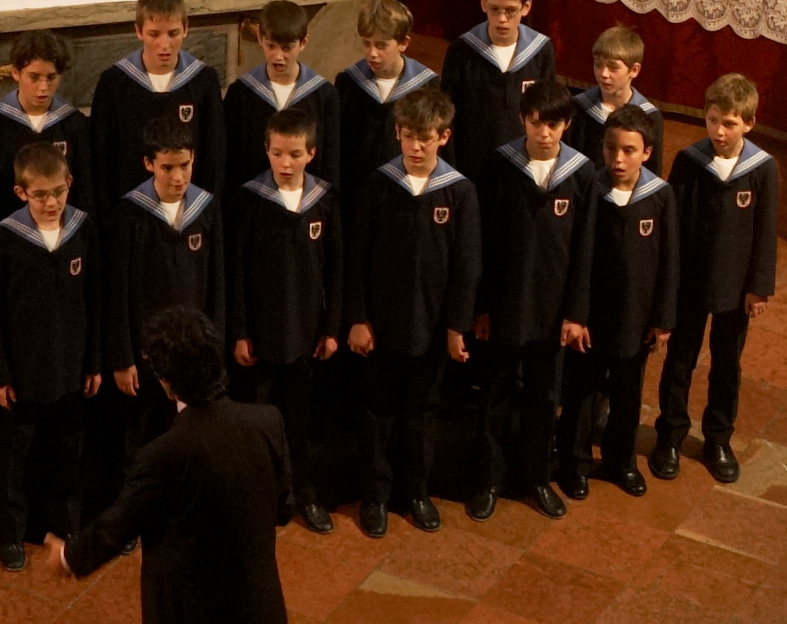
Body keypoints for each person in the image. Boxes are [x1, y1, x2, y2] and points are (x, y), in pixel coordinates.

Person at [49, 308, 292, 624]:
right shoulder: (267, 422)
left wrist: (70, 558)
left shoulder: (162, 454)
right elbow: (282, 507)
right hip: (249, 609)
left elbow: (118, 525)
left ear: (167, 381)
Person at [345, 87, 479, 538]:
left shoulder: (459, 192)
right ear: (397, 134)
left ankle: (416, 492)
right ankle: (376, 496)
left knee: (422, 413)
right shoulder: (377, 185)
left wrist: (457, 326)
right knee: (376, 412)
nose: (417, 147)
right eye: (409, 137)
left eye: (426, 138)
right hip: (380, 327)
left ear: (444, 136)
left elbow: (467, 265)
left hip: (431, 326)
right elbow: (357, 257)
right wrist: (359, 317)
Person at [469, 80, 593, 523]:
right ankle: (488, 480)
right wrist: (481, 307)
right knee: (495, 393)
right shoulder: (501, 167)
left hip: (553, 309)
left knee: (544, 396)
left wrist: (576, 314)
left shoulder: (581, 174)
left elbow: (584, 250)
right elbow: (482, 243)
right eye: (537, 123)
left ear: (568, 125)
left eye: (554, 124)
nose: (545, 133)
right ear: (523, 119)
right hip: (504, 304)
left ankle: (537, 478)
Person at [653, 74, 777, 486]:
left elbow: (765, 231)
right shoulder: (689, 162)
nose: (719, 132)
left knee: (727, 364)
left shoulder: (762, 169)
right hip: (690, 283)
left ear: (749, 123)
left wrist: (758, 286)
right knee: (680, 360)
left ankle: (718, 439)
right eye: (712, 121)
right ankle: (669, 436)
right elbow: (672, 228)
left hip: (734, 289)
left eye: (728, 123)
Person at [0, 142, 99, 571]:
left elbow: (95, 300)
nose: (51, 203)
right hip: (21, 371)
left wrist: (94, 362)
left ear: (70, 185)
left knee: (68, 452)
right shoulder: (5, 237)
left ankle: (67, 527)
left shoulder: (83, 230)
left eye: (57, 192)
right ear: (21, 193)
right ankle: (12, 534)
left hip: (69, 367)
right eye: (39, 195)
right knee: (15, 457)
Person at [226, 106, 340, 535]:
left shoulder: (323, 200)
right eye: (277, 153)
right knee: (255, 422)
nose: (285, 163)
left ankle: (302, 494)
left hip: (306, 333)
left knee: (300, 420)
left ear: (311, 153)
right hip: (259, 335)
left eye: (294, 154)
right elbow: (236, 271)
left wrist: (331, 329)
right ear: (266, 151)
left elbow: (336, 268)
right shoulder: (249, 200)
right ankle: (256, 500)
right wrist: (239, 332)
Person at [558, 106, 676, 499]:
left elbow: (669, 262)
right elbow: (578, 257)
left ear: (647, 152)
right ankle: (573, 462)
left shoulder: (659, 196)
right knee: (581, 393)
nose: (618, 159)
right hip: (592, 317)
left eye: (628, 150)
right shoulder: (591, 188)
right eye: (610, 148)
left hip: (635, 318)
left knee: (627, 394)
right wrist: (575, 315)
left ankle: (620, 461)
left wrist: (662, 319)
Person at [107, 116, 224, 513]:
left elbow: (217, 282)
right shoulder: (130, 214)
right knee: (139, 437)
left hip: (192, 352)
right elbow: (118, 292)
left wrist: (215, 346)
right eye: (168, 167)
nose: (178, 177)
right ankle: (134, 511)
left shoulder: (206, 209)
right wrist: (123, 357)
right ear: (148, 165)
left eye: (185, 165)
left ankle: (184, 507)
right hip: (144, 354)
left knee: (189, 433)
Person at [91, 0, 225, 200]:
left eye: (173, 33)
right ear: (138, 31)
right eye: (154, 34)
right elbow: (102, 157)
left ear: (186, 29)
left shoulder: (203, 81)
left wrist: (207, 210)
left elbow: (213, 156)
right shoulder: (114, 83)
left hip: (189, 208)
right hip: (131, 209)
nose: (164, 45)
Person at [439, 0, 557, 183]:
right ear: (483, 3)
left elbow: (548, 110)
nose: (502, 19)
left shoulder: (540, 50)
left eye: (511, 10)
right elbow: (448, 114)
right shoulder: (462, 50)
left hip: (523, 164)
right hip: (472, 165)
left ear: (526, 7)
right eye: (495, 9)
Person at [0, 29, 95, 222]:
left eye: (51, 77)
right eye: (34, 77)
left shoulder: (73, 124)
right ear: (16, 73)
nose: (43, 87)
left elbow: (85, 192)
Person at [226, 0, 339, 191]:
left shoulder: (323, 96)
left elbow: (330, 162)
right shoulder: (241, 94)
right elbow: (231, 160)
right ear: (260, 38)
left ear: (303, 42)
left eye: (287, 48)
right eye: (271, 46)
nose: (278, 56)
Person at [335, 0, 436, 199]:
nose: (372, 53)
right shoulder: (349, 83)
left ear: (403, 43)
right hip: (357, 193)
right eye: (366, 43)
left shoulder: (426, 86)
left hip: (406, 193)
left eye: (381, 45)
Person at [566, 26, 659, 163]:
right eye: (598, 65)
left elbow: (651, 174)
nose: (603, 74)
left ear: (634, 70)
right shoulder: (578, 107)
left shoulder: (650, 116)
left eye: (613, 67)